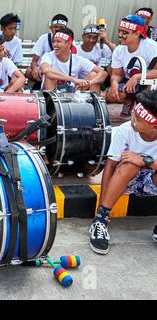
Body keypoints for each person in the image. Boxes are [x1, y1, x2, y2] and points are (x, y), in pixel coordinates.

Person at [89, 90, 157, 255]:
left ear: (154, 125)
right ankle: (100, 222)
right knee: (129, 164)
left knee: (136, 161)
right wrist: (100, 211)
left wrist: (146, 161)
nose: (132, 120)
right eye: (134, 114)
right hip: (124, 180)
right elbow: (110, 167)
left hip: (151, 181)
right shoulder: (124, 130)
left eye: (138, 120)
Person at [105, 15, 157, 119]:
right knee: (110, 94)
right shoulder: (119, 50)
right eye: (119, 31)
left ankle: (147, 110)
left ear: (137, 34)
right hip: (131, 84)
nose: (120, 35)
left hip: (150, 83)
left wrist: (137, 77)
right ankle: (129, 104)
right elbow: (116, 74)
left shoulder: (152, 47)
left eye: (125, 33)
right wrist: (114, 83)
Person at [40, 28, 107, 92]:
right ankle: (51, 103)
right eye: (54, 41)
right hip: (52, 93)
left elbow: (103, 73)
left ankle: (93, 103)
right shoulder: (48, 56)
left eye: (58, 41)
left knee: (94, 75)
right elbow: (46, 70)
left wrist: (89, 83)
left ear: (69, 43)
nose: (54, 45)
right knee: (50, 76)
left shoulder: (77, 59)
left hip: (72, 93)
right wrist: (73, 80)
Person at [26, 14, 69, 88]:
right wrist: (35, 68)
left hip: (60, 71)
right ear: (51, 28)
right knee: (29, 71)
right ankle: (32, 90)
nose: (57, 29)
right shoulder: (44, 38)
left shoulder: (69, 41)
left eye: (61, 27)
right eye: (55, 27)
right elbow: (34, 60)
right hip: (43, 70)